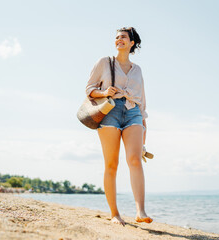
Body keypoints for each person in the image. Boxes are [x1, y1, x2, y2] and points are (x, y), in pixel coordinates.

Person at [85, 27, 152, 226]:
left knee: (134, 160)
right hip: (110, 111)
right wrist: (105, 92)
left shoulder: (137, 70)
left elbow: (142, 102)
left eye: (123, 37)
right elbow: (89, 89)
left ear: (132, 43)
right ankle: (115, 214)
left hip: (133, 112)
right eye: (116, 37)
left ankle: (140, 211)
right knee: (111, 164)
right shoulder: (104, 62)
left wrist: (144, 128)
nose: (118, 40)